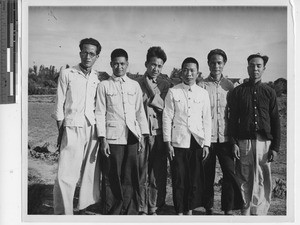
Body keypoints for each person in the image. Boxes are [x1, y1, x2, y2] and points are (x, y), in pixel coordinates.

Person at [95, 48, 149, 215]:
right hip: (112, 138)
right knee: (113, 177)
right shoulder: (104, 85)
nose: (119, 67)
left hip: (132, 136)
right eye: (116, 64)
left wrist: (142, 136)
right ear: (111, 64)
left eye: (122, 64)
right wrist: (102, 138)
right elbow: (100, 112)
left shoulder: (134, 86)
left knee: (130, 175)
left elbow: (140, 112)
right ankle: (113, 210)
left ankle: (130, 210)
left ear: (127, 64)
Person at [52, 38, 102, 215]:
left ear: (97, 56)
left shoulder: (98, 77)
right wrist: (61, 129)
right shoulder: (67, 73)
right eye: (84, 52)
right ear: (79, 52)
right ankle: (64, 213)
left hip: (92, 128)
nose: (87, 56)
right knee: (66, 173)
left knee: (90, 171)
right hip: (72, 126)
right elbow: (60, 103)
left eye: (92, 54)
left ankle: (84, 207)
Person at [229, 53, 281, 215]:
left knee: (262, 177)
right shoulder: (238, 92)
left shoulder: (269, 92)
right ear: (247, 68)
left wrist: (275, 147)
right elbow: (232, 120)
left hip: (264, 143)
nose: (255, 68)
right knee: (244, 176)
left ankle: (259, 213)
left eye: (258, 66)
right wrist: (233, 142)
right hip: (244, 141)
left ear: (264, 69)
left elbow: (275, 121)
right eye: (252, 65)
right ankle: (245, 209)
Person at [163, 57, 211, 215]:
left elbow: (207, 120)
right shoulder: (173, 91)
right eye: (185, 70)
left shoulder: (203, 93)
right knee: (179, 180)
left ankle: (189, 210)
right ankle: (180, 212)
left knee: (193, 180)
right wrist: (168, 142)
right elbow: (167, 117)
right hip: (178, 142)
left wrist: (207, 144)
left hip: (197, 142)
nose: (189, 73)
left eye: (192, 70)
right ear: (181, 71)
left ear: (197, 73)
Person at [199, 49, 244, 215]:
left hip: (226, 139)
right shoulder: (201, 85)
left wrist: (234, 141)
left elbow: (234, 115)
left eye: (219, 62)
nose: (216, 65)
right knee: (207, 175)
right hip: (207, 140)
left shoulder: (230, 86)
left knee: (229, 175)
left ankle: (228, 209)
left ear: (224, 64)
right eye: (212, 62)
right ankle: (208, 207)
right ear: (208, 63)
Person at [136, 46, 170, 215]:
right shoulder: (136, 83)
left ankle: (153, 207)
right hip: (141, 135)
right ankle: (141, 208)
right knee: (141, 173)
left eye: (159, 66)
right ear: (146, 64)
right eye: (153, 65)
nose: (156, 69)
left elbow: (164, 107)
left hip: (158, 134)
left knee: (157, 175)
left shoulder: (165, 84)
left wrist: (150, 89)